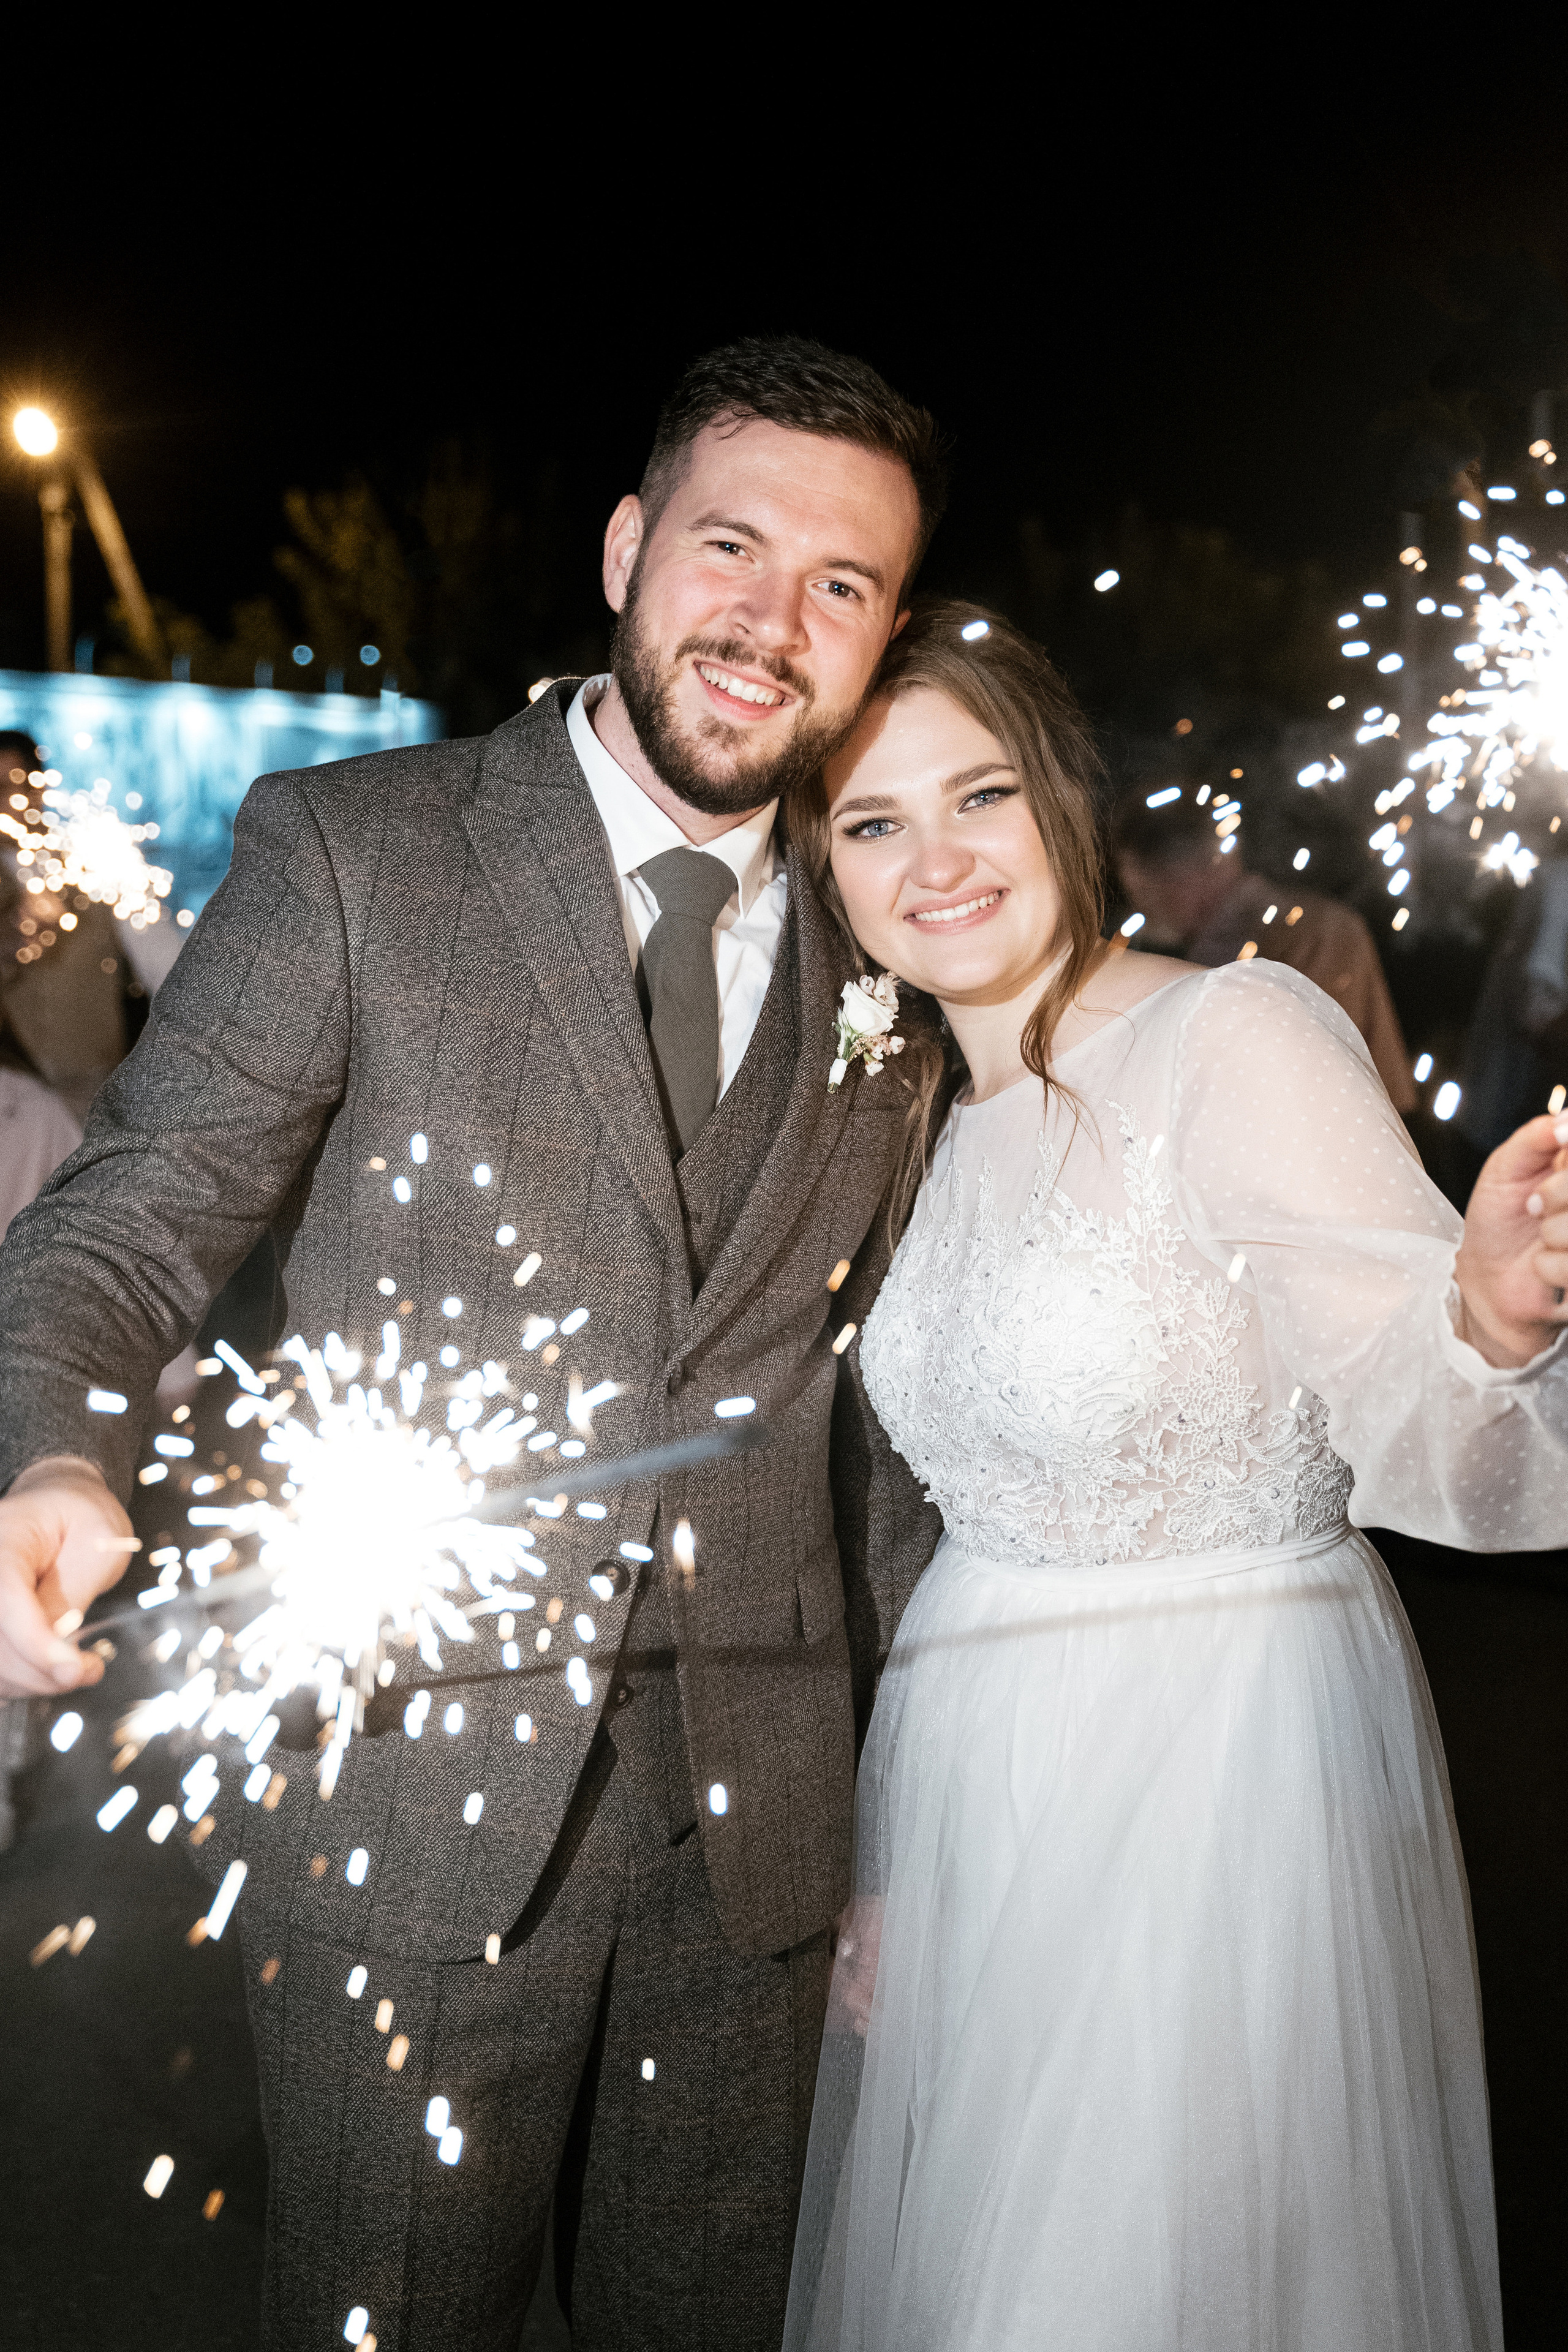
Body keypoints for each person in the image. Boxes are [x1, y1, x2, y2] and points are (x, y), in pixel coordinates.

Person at [0, 339, 948, 2351]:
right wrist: (47, 1453)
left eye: (843, 586)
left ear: (883, 638)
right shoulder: (360, 848)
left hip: (763, 1852)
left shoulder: (901, 942)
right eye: (732, 546)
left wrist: (898, 1826)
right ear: (626, 547)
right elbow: (135, 1215)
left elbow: (875, 1421)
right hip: (408, 1830)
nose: (773, 624)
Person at [782, 602, 1567, 2352]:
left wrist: (1496, 1319)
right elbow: (922, 1517)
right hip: (979, 1784)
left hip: (1219, 1773)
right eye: (872, 821)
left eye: (978, 794)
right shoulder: (902, 1119)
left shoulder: (1235, 1035)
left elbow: (1425, 1411)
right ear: (823, 866)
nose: (938, 861)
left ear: (1066, 797)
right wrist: (890, 1859)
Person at [1112, 785, 1417, 1109]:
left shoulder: (1273, 948)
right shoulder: (1326, 923)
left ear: (1182, 874)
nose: (1143, 908)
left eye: (1141, 888)